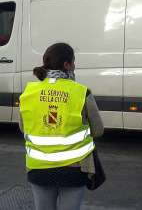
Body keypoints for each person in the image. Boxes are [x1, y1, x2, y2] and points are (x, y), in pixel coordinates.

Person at [19, 43, 104, 210]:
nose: (75, 66)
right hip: (74, 170)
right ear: (67, 65)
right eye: (73, 62)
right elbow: (98, 130)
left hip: (38, 168)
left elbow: (23, 128)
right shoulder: (81, 93)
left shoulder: (28, 93)